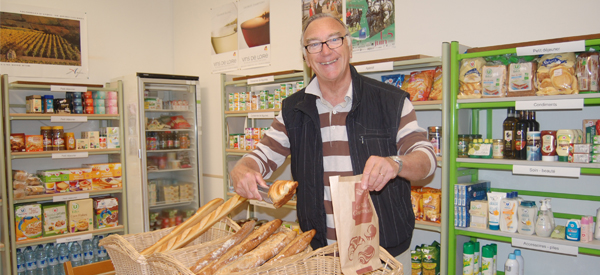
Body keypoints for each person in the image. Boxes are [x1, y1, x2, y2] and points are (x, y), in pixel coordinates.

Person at [230, 13, 436, 270]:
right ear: (306, 56)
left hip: (384, 255)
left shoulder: (391, 101)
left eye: (334, 40)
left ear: (348, 46)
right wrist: (243, 169)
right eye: (314, 44)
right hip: (320, 256)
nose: (325, 51)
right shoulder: (293, 110)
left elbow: (426, 158)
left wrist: (395, 164)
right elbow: (261, 157)